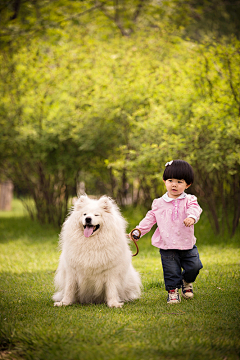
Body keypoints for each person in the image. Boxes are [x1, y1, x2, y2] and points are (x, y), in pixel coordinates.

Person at [131, 159, 203, 304]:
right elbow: (150, 218)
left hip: (187, 243)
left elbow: (195, 209)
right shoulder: (158, 203)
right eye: (170, 180)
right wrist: (139, 230)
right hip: (167, 244)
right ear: (164, 181)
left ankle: (186, 281)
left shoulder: (189, 200)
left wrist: (192, 217)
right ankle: (172, 292)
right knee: (171, 271)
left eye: (179, 181)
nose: (174, 184)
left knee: (194, 266)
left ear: (187, 184)